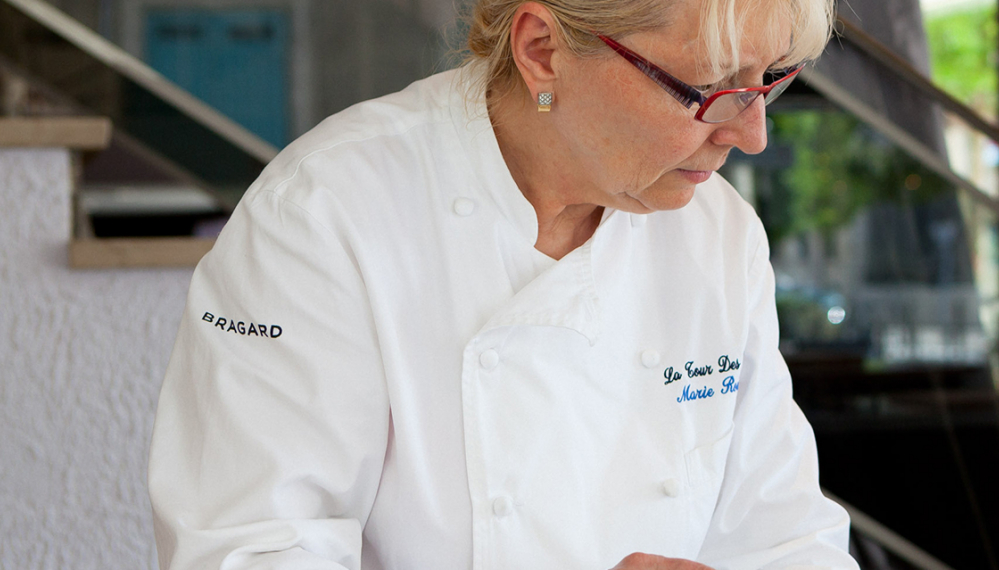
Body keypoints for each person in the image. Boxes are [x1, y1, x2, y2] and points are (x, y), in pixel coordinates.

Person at [146, 0, 858, 568]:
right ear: (541, 50)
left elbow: (786, 537)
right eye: (708, 88)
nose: (753, 133)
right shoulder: (326, 215)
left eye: (772, 78)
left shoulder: (717, 235)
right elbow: (251, 552)